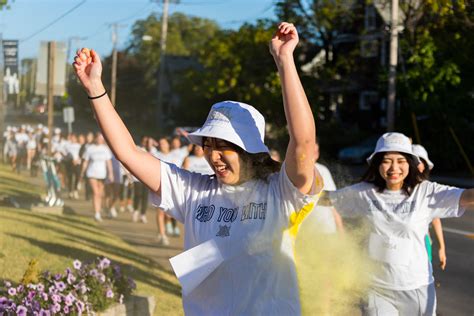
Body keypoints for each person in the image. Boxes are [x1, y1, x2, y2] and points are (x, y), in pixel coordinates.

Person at [73, 22, 322, 314]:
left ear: (250, 150)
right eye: (208, 145)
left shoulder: (281, 193)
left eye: (224, 146)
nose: (214, 156)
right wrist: (95, 88)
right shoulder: (194, 191)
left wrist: (285, 61)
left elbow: (303, 143)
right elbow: (128, 153)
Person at [322, 132, 473, 315]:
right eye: (387, 160)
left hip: (417, 288)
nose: (394, 168)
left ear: (410, 163)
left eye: (401, 161)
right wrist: (291, 184)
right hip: (376, 289)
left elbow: (466, 197)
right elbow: (326, 199)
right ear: (378, 163)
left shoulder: (425, 192)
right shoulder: (363, 193)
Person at [412, 144, 447, 270]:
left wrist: (442, 247)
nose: (417, 164)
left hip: (422, 241)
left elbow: (435, 218)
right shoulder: (392, 188)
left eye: (420, 161)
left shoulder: (427, 189)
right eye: (413, 160)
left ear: (425, 167)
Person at [80, 133, 113, 222]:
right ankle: (97, 213)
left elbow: (108, 162)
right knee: (96, 192)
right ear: (95, 139)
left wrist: (111, 174)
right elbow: (85, 162)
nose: (99, 140)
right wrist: (82, 172)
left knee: (100, 194)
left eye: (101, 139)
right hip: (92, 173)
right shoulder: (90, 149)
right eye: (98, 138)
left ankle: (98, 210)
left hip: (102, 174)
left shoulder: (105, 149)